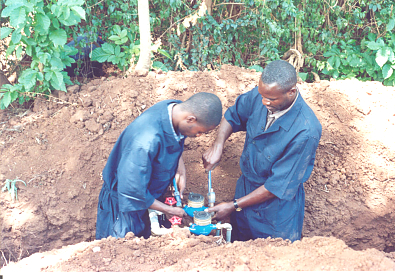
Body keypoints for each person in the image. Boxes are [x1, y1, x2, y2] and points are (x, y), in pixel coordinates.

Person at [202, 60, 322, 242]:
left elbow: (276, 186)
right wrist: (217, 146)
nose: (265, 102)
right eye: (262, 96)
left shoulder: (306, 131)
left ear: (291, 92)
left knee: (272, 261)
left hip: (275, 213)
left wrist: (233, 206)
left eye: (272, 99)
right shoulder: (263, 96)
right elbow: (233, 116)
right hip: (244, 191)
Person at [96, 92, 222, 240]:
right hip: (122, 210)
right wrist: (168, 209)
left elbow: (174, 136)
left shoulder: (173, 110)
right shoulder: (144, 142)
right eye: (200, 131)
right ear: (190, 119)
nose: (199, 135)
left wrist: (179, 164)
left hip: (146, 201)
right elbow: (132, 191)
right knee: (122, 254)